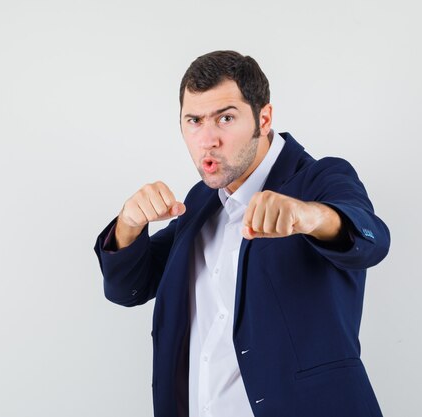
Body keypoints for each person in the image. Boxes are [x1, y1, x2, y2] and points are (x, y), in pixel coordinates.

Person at [94, 50, 390, 417]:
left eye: (226, 118)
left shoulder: (321, 177)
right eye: (194, 121)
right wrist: (129, 224)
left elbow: (371, 240)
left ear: (263, 118)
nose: (208, 139)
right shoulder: (201, 203)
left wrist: (308, 216)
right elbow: (128, 288)